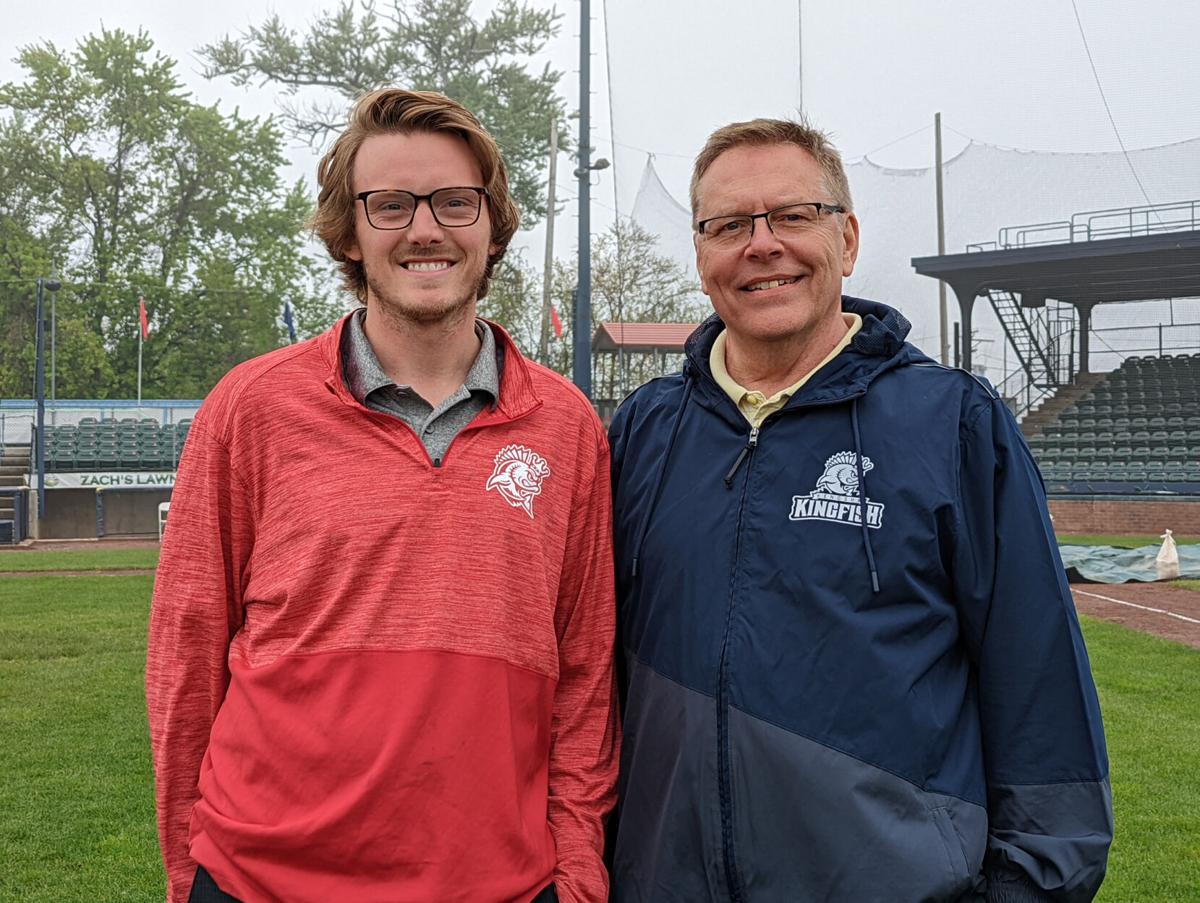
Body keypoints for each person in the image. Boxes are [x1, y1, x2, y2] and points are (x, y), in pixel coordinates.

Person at [607, 118, 1112, 902]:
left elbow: (1041, 694)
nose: (762, 243)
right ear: (702, 255)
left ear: (846, 239)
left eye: (794, 215)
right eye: (729, 224)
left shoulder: (954, 425)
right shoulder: (643, 432)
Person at [146, 88, 618, 903]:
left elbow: (586, 673)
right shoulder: (250, 407)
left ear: (492, 224)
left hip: (499, 885)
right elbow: (185, 658)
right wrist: (191, 872)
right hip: (260, 880)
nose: (425, 229)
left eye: (454, 202)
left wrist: (574, 873)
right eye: (391, 204)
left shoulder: (567, 428)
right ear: (350, 231)